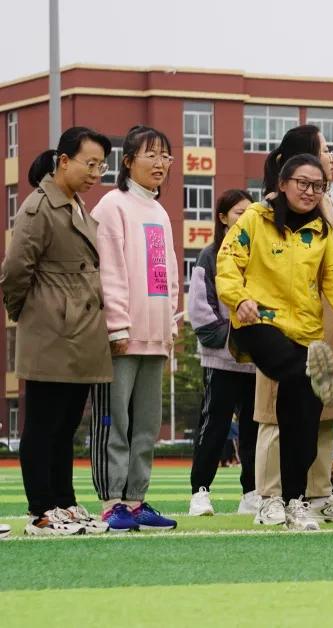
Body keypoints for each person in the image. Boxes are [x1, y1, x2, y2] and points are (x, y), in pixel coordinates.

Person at [217, 153, 333, 532]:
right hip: (257, 322)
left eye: (317, 186)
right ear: (283, 184)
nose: (309, 191)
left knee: (303, 415)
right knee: (297, 380)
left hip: (303, 331)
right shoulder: (256, 219)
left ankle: (293, 502)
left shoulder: (321, 232)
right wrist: (239, 299)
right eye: (302, 183)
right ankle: (271, 499)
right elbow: (228, 264)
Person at [249, 126, 333, 527]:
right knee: (277, 412)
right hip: (282, 319)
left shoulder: (323, 202)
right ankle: (271, 495)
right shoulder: (268, 209)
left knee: (326, 406)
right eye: (324, 149)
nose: (331, 155)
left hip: (327, 314)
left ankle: (318, 494)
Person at [0, 127, 114, 536]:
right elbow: (14, 271)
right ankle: (41, 509)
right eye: (90, 163)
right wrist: (29, 315)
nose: (96, 172)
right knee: (44, 424)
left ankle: (65, 501)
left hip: (81, 330)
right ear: (64, 161)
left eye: (101, 165)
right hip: (52, 329)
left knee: (67, 425)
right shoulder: (38, 207)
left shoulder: (76, 205)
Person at [90, 126, 180, 532]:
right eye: (152, 155)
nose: (161, 163)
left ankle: (135, 499)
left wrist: (171, 325)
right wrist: (117, 327)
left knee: (146, 425)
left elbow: (170, 274)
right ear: (127, 162)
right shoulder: (112, 206)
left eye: (166, 156)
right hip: (121, 337)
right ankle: (112, 503)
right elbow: (108, 271)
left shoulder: (159, 212)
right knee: (116, 422)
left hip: (156, 337)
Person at [187, 189, 259, 516]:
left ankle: (252, 492)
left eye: (249, 213)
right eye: (237, 213)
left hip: (259, 360)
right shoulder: (210, 255)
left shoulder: (260, 256)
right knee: (214, 426)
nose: (243, 219)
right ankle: (200, 491)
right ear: (222, 217)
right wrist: (227, 338)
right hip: (222, 358)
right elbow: (200, 308)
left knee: (253, 429)